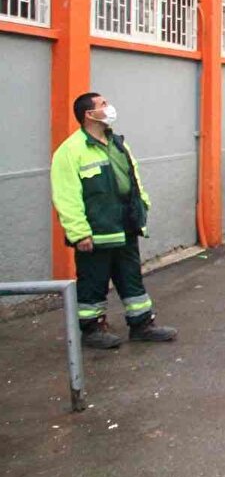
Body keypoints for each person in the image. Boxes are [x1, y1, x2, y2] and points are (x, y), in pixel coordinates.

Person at [50, 93, 177, 349]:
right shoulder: (70, 150)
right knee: (93, 281)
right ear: (89, 114)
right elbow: (66, 195)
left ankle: (142, 324)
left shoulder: (117, 143)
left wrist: (142, 205)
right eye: (103, 104)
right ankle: (92, 329)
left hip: (125, 225)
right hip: (96, 231)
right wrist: (79, 233)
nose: (109, 108)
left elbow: (132, 177)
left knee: (131, 277)